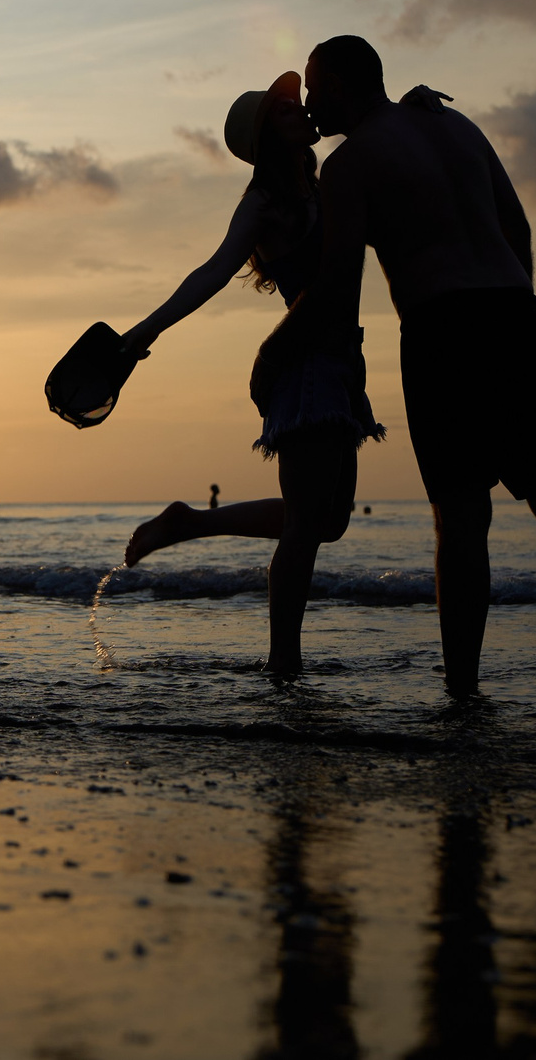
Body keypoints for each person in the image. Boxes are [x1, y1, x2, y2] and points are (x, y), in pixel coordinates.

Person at [255, 36, 536, 695]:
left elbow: (335, 286)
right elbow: (516, 224)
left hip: (442, 328)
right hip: (516, 314)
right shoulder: (456, 126)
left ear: (345, 86)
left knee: (462, 517)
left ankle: (463, 689)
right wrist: (516, 297)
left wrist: (273, 350)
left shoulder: (353, 163)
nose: (313, 107)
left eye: (317, 90)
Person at [118, 70, 386, 675]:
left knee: (328, 521)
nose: (302, 114)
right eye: (287, 112)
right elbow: (212, 272)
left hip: (341, 363)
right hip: (306, 366)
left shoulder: (317, 185)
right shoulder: (266, 201)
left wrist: (413, 109)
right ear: (268, 139)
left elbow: (376, 126)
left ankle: (192, 522)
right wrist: (143, 333)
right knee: (305, 528)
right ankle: (283, 667)